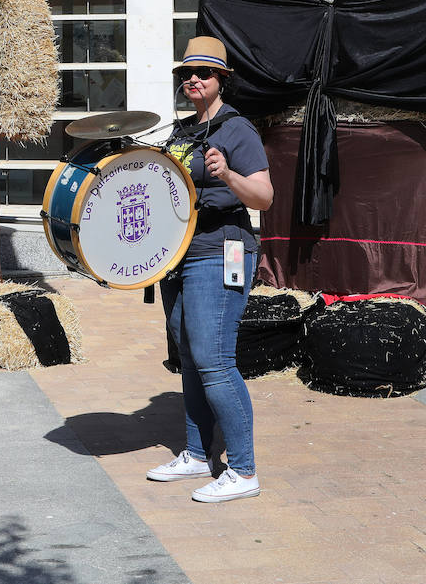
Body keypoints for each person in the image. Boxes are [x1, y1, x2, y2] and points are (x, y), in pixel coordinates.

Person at [151, 36, 273, 503]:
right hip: (180, 255)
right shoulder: (180, 133)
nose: (193, 79)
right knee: (188, 358)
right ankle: (198, 455)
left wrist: (226, 174)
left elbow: (264, 197)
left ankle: (243, 471)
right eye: (188, 72)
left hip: (221, 250)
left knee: (215, 360)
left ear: (222, 79)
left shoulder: (237, 130)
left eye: (204, 72)